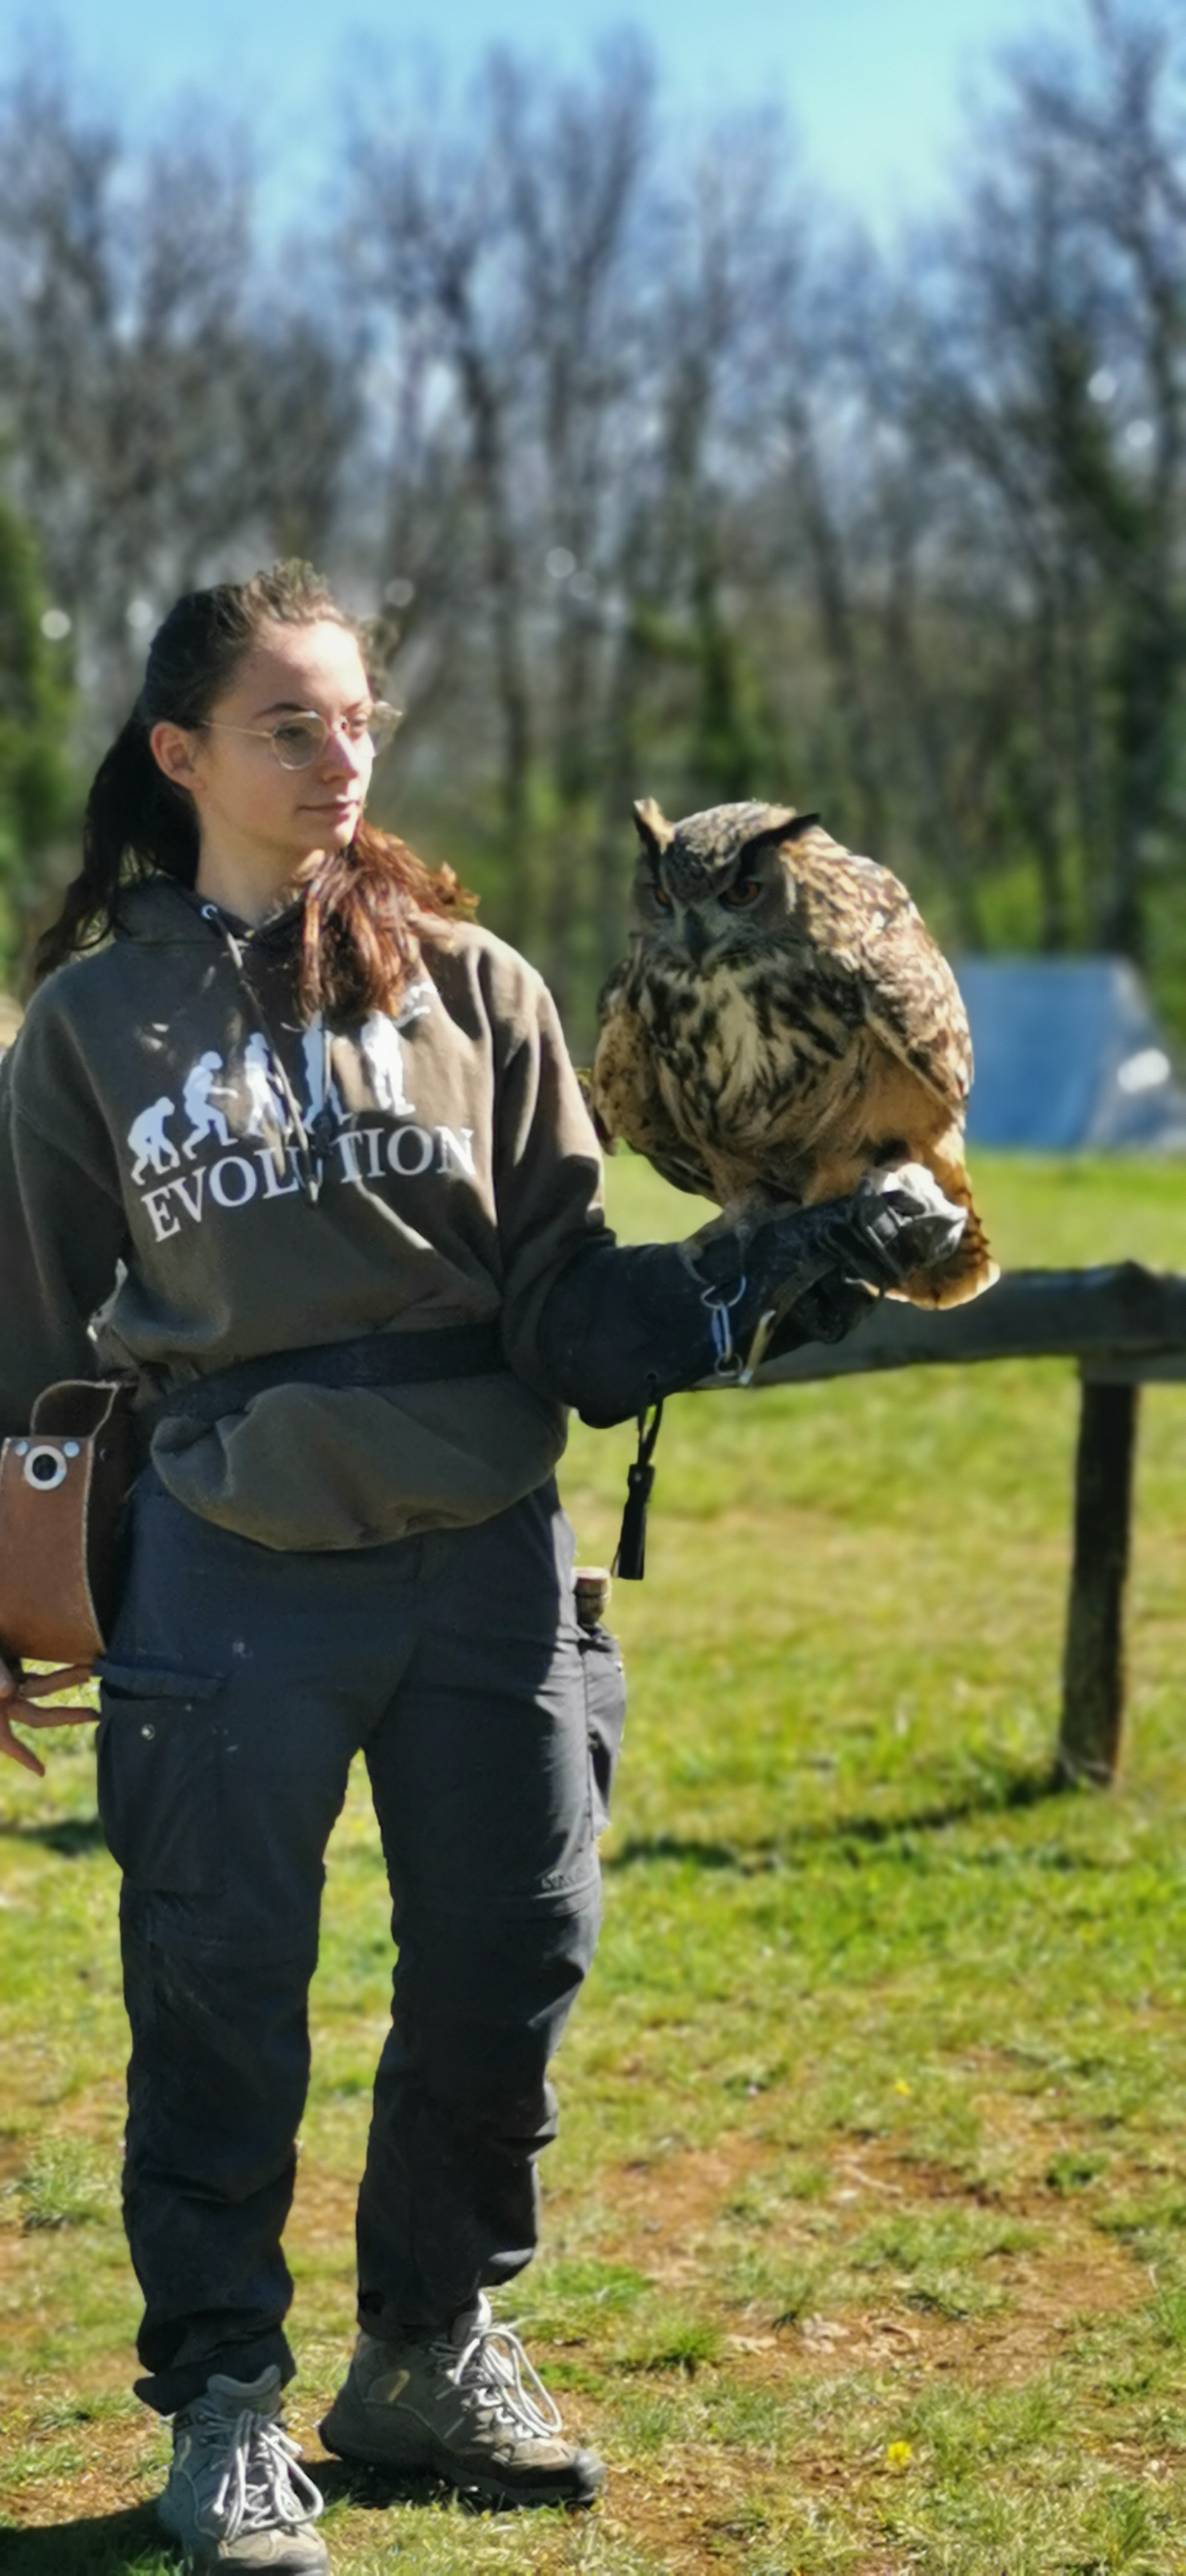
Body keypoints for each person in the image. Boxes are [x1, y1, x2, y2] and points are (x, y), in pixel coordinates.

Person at [0, 562, 959, 2573]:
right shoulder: (90, 1026)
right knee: (219, 1987)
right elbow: (28, 1344)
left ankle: (428, 2348)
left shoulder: (484, 984)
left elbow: (566, 1324)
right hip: (230, 1568)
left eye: (360, 719)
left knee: (513, 1960)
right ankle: (227, 2408)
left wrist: (763, 1273)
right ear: (182, 755)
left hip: (487, 1562)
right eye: (291, 723)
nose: (341, 755)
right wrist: (7, 1593)